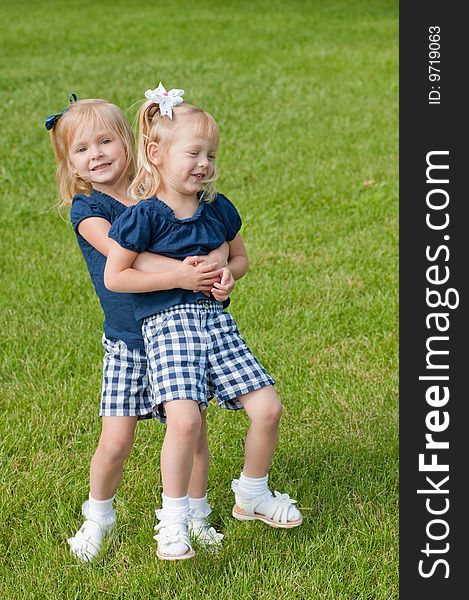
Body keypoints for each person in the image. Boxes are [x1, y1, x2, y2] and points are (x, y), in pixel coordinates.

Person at [104, 83, 303, 561]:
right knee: (186, 421)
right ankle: (173, 521)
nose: (204, 164)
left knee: (268, 408)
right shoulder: (145, 217)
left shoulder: (218, 209)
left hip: (216, 325)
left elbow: (241, 260)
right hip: (168, 327)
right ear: (156, 153)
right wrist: (178, 276)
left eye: (211, 155)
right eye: (193, 153)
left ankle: (252, 493)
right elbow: (117, 276)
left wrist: (227, 279)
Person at [46, 95, 228, 562]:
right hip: (129, 343)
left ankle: (195, 515)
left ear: (130, 143)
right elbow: (124, 257)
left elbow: (205, 227)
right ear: (70, 163)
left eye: (106, 141)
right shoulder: (88, 209)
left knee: (193, 430)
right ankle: (98, 518)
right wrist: (187, 273)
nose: (97, 155)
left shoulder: (154, 196)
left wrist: (216, 264)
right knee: (116, 439)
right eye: (82, 150)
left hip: (175, 330)